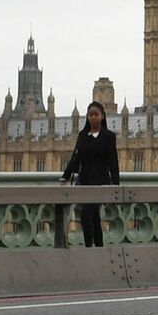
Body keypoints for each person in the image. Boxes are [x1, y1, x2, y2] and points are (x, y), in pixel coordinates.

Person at [59, 100, 119, 247]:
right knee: (93, 216)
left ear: (102, 116)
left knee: (86, 214)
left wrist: (115, 184)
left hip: (100, 182)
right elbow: (76, 157)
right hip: (85, 181)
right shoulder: (83, 135)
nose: (93, 117)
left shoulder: (109, 136)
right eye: (90, 115)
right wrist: (65, 176)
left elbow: (113, 161)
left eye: (96, 114)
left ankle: (88, 247)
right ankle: (98, 247)